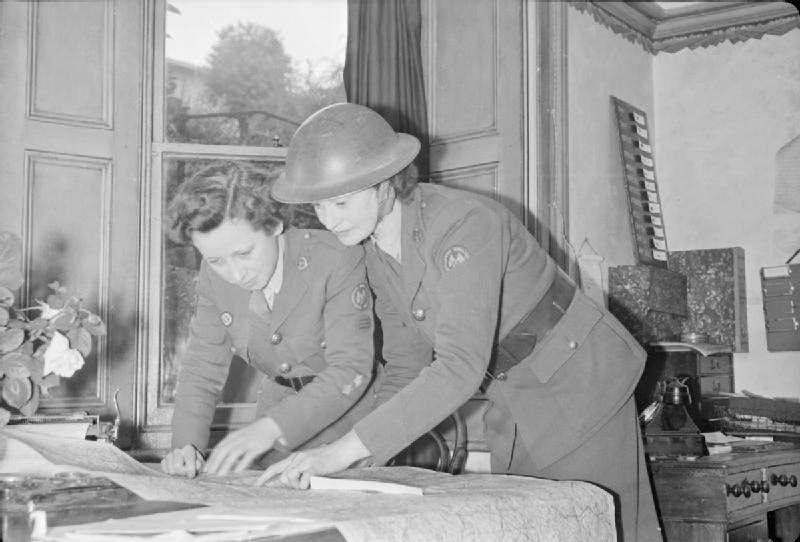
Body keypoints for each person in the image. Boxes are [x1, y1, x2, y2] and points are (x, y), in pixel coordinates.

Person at [263, 103, 661, 541]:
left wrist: (341, 452)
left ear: (384, 184)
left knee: (600, 529)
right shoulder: (373, 248)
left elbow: (457, 367)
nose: (330, 219)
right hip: (514, 395)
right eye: (319, 206)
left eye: (341, 202)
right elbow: (407, 363)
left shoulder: (464, 225)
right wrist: (364, 456)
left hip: (580, 383)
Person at [161, 161, 377, 478]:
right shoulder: (214, 277)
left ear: (274, 225)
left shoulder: (336, 259)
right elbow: (202, 368)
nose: (235, 274)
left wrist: (271, 428)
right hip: (275, 436)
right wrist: (185, 448)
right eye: (216, 260)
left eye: (244, 253)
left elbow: (350, 370)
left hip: (352, 431)